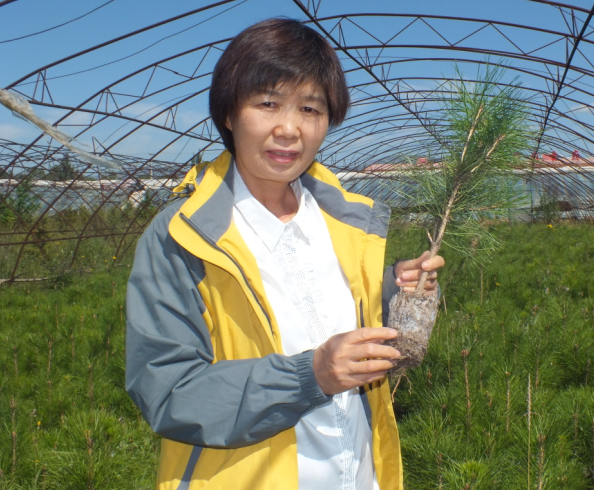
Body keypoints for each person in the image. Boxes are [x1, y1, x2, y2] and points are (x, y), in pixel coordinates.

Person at [125, 18, 444, 490]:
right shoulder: (184, 236)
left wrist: (393, 286)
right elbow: (169, 391)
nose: (289, 129)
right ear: (230, 113)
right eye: (268, 103)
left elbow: (321, 314)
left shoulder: (341, 222)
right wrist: (308, 375)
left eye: (310, 109)